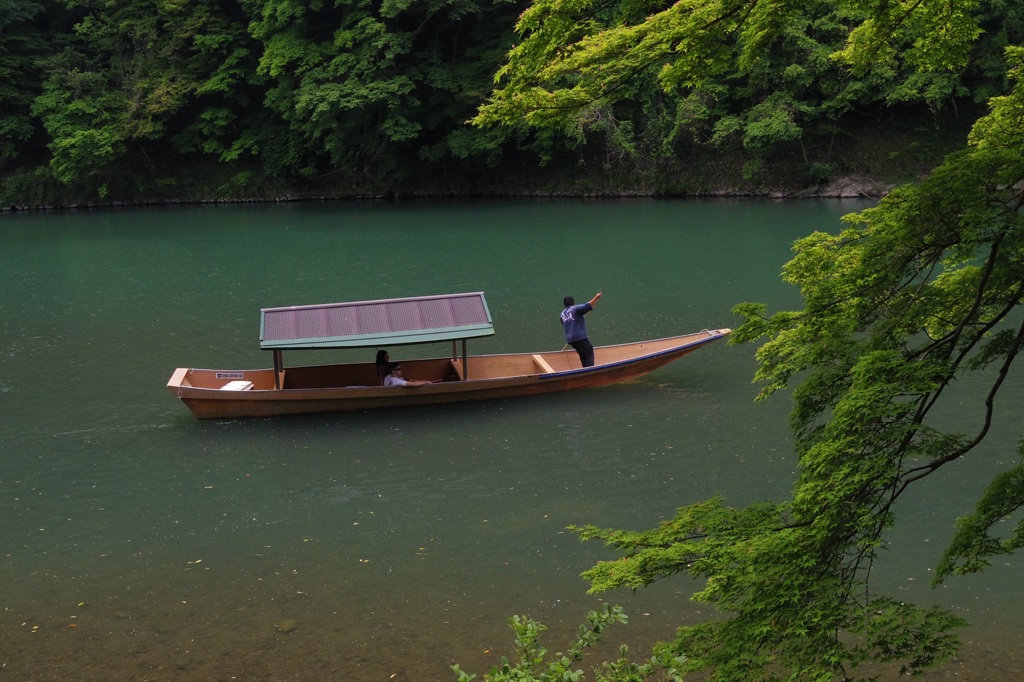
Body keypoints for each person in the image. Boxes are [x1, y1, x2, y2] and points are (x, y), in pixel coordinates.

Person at [560, 291, 602, 367]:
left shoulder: (562, 314)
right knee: (589, 352)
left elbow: (565, 325)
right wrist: (597, 297)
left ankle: (585, 371)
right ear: (573, 303)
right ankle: (589, 372)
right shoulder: (575, 308)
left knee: (583, 355)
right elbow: (588, 306)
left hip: (571, 340)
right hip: (579, 337)